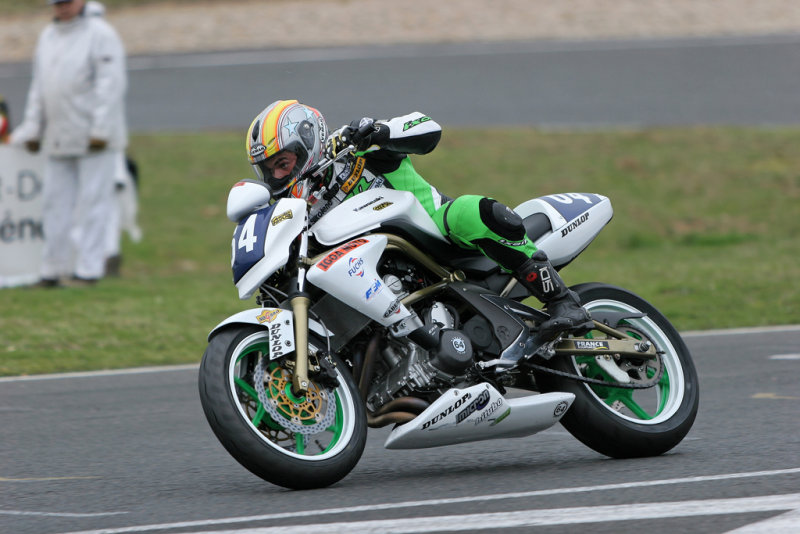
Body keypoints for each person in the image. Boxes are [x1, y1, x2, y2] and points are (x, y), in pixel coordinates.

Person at [244, 99, 592, 339]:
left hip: (432, 231)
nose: (277, 175)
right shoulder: (294, 202)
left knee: (473, 211)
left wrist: (379, 132)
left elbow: (427, 129)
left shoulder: (349, 148)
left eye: (283, 163)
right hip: (371, 268)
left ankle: (561, 301)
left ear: (306, 144)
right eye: (269, 170)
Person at [9, 0, 127, 287]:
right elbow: (40, 87)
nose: (62, 7)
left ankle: (89, 270)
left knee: (93, 204)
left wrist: (100, 129)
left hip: (94, 139)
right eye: (57, 3)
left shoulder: (101, 33)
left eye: (67, 2)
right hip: (58, 137)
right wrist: (34, 130)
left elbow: (110, 85)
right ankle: (51, 270)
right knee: (53, 205)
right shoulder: (48, 36)